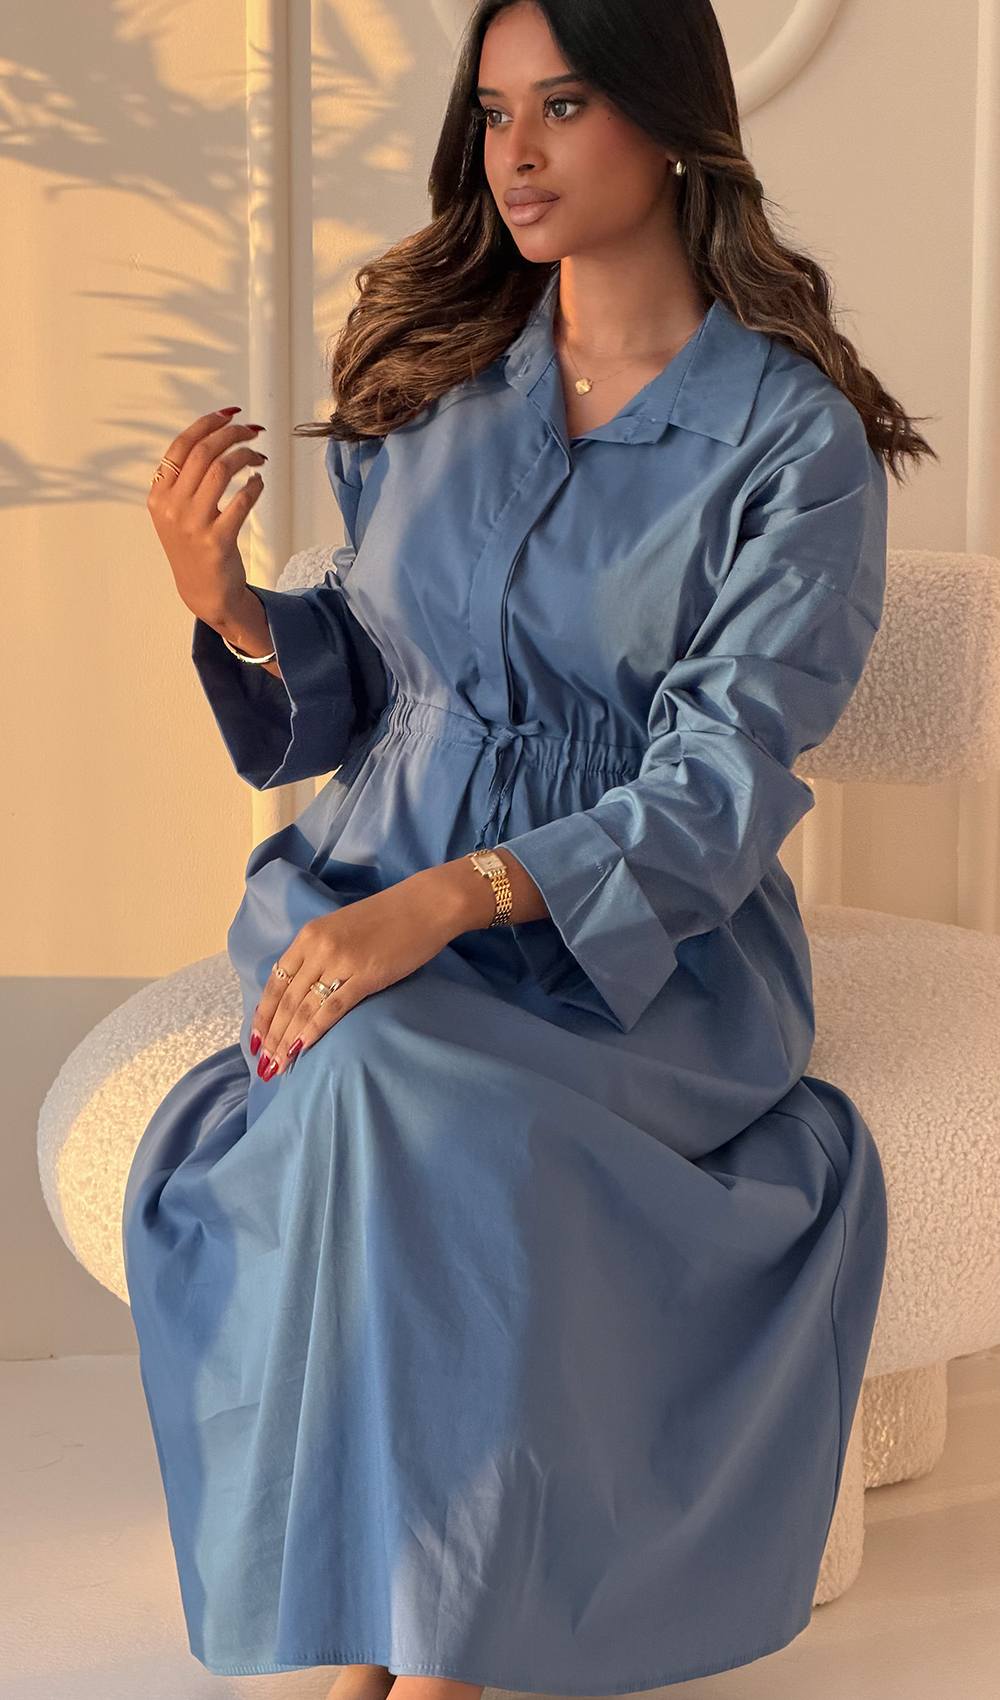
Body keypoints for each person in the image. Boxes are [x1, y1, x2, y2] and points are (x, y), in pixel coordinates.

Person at [124, 1, 936, 1693]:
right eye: (494, 112)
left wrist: (456, 903)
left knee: (390, 1084)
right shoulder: (438, 383)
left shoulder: (793, 445)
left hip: (633, 952)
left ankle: (423, 1659)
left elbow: (721, 784)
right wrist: (232, 608)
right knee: (371, 1075)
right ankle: (397, 1635)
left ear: (668, 119)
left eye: (563, 105)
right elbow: (376, 680)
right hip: (374, 881)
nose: (516, 152)